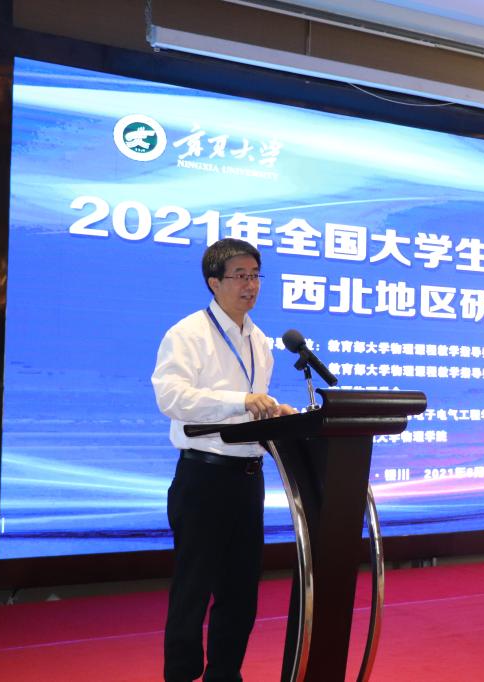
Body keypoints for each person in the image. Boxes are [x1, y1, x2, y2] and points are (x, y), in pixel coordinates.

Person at [152, 238, 296, 682]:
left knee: (240, 591)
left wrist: (275, 412)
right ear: (214, 282)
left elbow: (252, 405)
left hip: (248, 478)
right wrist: (240, 400)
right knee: (193, 589)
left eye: (255, 276)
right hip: (203, 475)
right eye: (239, 276)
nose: (250, 285)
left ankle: (225, 675)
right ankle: (180, 675)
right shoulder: (187, 334)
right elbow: (172, 397)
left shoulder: (260, 341)